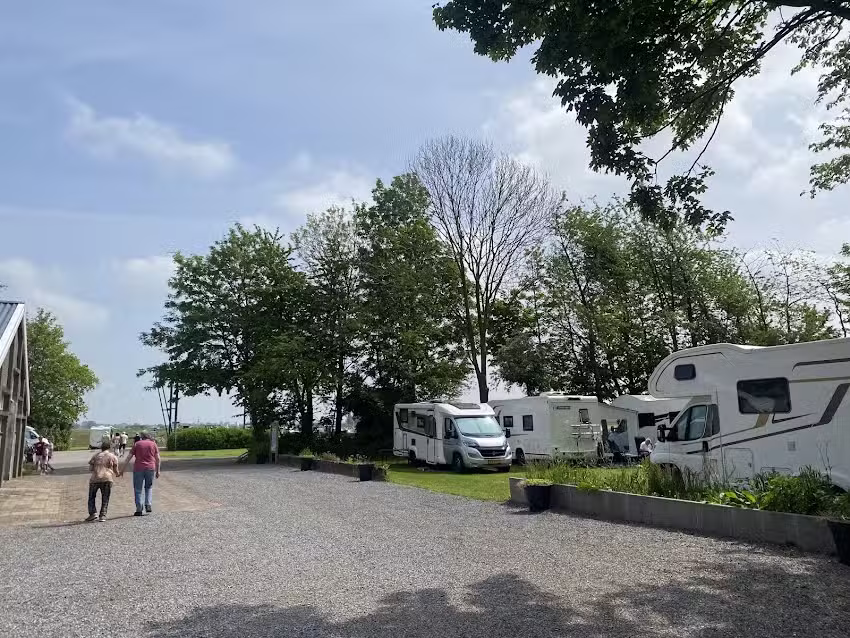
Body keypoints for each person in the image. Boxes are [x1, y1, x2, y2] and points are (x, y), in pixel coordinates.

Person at [121, 431, 161, 516]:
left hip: (138, 468)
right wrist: (158, 470)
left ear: (141, 437)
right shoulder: (153, 444)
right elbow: (158, 458)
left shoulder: (137, 444)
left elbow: (129, 457)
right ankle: (148, 504)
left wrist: (122, 469)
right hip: (150, 468)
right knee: (148, 487)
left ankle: (139, 508)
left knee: (138, 489)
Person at [87, 441, 119, 522]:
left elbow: (90, 468)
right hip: (107, 478)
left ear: (101, 448)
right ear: (109, 447)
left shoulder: (95, 456)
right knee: (105, 497)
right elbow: (116, 469)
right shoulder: (112, 456)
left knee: (92, 497)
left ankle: (93, 513)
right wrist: (118, 474)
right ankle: (103, 515)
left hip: (95, 479)